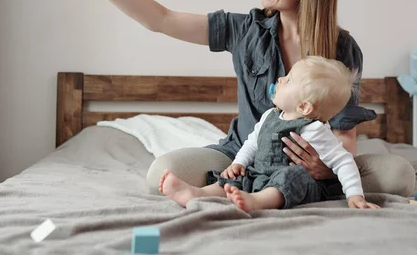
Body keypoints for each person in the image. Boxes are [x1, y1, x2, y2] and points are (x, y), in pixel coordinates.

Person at [57, 0, 416, 198]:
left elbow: (344, 135)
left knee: (399, 175)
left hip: (314, 165)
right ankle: (261, 188)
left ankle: (301, 188)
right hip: (245, 157)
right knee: (159, 175)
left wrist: (326, 167)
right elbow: (161, 19)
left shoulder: (343, 49)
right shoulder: (244, 30)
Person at [159, 56, 380, 211]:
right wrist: (239, 163)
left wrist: (354, 195)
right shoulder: (270, 116)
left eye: (289, 80)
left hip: (293, 182)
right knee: (235, 177)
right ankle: (197, 194)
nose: (281, 79)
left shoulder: (314, 130)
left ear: (304, 107)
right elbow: (252, 143)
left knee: (292, 176)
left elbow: (343, 161)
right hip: (260, 173)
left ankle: (257, 201)